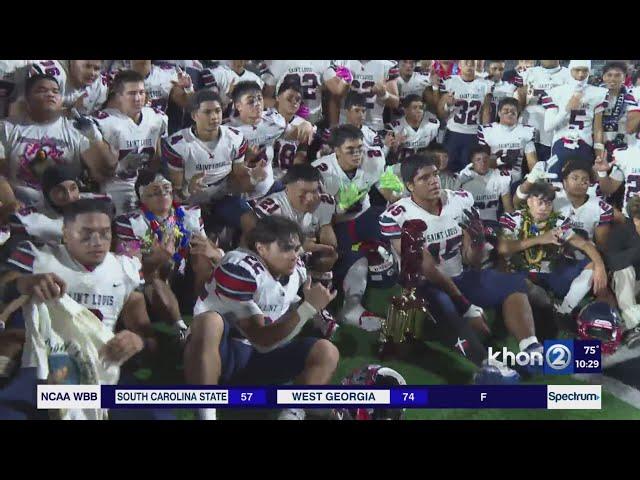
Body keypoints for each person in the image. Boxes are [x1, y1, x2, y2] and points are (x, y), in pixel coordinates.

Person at [0, 199, 168, 420]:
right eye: (86, 233)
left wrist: (138, 342)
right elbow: (6, 287)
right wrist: (23, 284)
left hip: (100, 366)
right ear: (66, 233)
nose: (97, 241)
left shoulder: (123, 269)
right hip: (45, 368)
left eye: (104, 233)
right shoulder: (37, 257)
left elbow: (149, 339)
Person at [379, 153, 535, 379]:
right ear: (409, 185)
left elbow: (472, 259)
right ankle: (488, 367)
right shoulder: (397, 216)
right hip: (423, 287)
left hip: (460, 275)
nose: (434, 181)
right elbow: (427, 268)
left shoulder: (460, 200)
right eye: (424, 178)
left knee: (514, 283)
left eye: (435, 174)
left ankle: (530, 348)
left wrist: (478, 240)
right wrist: (465, 305)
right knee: (447, 307)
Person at [184, 216, 340, 420]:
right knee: (210, 322)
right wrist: (308, 308)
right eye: (286, 248)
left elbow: (303, 262)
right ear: (261, 248)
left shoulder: (294, 268)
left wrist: (326, 257)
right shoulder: (238, 269)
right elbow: (261, 340)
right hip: (223, 355)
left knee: (326, 352)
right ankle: (206, 414)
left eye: (295, 248)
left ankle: (293, 412)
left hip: (258, 360)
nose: (294, 255)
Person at [114, 171, 223, 328]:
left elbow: (209, 249)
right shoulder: (129, 223)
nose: (163, 194)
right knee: (155, 275)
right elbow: (130, 269)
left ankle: (204, 314)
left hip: (188, 277)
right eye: (155, 192)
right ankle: (178, 327)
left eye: (166, 189)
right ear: (142, 197)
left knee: (203, 258)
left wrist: (214, 252)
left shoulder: (190, 214)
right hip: (153, 281)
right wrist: (158, 258)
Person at [0, 74, 113, 209]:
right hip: (23, 207)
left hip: (68, 206)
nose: (50, 94)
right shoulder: (6, 128)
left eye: (55, 91)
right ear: (27, 99)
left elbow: (105, 169)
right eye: (42, 90)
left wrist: (95, 138)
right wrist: (11, 203)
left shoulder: (76, 128)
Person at [498, 181, 607, 317]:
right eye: (540, 202)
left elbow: (584, 244)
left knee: (591, 265)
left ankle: (564, 310)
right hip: (523, 270)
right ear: (529, 201)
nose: (544, 208)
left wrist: (600, 266)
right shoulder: (514, 219)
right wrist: (540, 239)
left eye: (548, 203)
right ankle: (542, 303)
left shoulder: (558, 221)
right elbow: (502, 248)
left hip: (551, 271)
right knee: (515, 280)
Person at [162, 90, 256, 238]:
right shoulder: (178, 145)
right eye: (207, 112)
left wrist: (252, 177)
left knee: (253, 224)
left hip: (222, 197)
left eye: (218, 111)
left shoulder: (235, 138)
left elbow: (238, 179)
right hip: (189, 202)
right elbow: (175, 194)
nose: (214, 117)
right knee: (199, 245)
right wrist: (189, 189)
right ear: (194, 116)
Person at [92, 70, 168, 215]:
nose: (138, 98)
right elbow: (97, 172)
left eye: (141, 92)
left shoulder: (157, 118)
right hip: (115, 189)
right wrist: (122, 166)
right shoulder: (103, 122)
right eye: (132, 93)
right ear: (118, 96)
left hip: (147, 188)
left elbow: (156, 159)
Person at [228, 81, 314, 201]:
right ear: (238, 106)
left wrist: (306, 125)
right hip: (241, 193)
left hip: (269, 187)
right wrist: (247, 159)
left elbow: (296, 132)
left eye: (259, 99)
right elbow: (228, 174)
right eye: (251, 101)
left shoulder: (272, 120)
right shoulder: (228, 130)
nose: (257, 104)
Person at [542, 60, 608, 176]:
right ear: (570, 70)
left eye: (585, 70)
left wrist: (599, 154)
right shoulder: (555, 92)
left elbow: (598, 128)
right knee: (557, 184)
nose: (581, 74)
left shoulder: (598, 93)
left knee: (583, 185)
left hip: (585, 144)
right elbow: (548, 127)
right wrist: (567, 109)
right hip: (561, 143)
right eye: (577, 70)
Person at [437, 60, 491, 173]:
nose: (470, 65)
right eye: (466, 62)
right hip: (453, 133)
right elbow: (441, 114)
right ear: (459, 64)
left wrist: (486, 136)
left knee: (468, 170)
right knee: (448, 168)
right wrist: (448, 105)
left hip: (473, 134)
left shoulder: (485, 84)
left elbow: (486, 112)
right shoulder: (449, 82)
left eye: (472, 62)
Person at [519, 60, 572, 163]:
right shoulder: (527, 73)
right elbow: (517, 102)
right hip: (531, 130)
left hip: (559, 131)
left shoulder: (570, 74)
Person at [604, 195, 640, 347]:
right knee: (624, 271)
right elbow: (613, 262)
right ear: (636, 219)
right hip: (625, 284)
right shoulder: (621, 232)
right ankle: (634, 327)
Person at [476, 97, 538, 184]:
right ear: (499, 113)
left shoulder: (526, 131)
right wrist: (501, 160)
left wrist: (535, 181)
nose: (509, 113)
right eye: (506, 110)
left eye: (513, 111)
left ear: (518, 115)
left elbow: (532, 162)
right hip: (491, 180)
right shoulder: (487, 131)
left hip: (515, 181)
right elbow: (481, 161)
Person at [599, 61, 640, 154]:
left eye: (617, 75)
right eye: (609, 75)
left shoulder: (633, 97)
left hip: (624, 148)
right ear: (603, 77)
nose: (613, 79)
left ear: (624, 77)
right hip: (597, 146)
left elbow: (631, 129)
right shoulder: (594, 96)